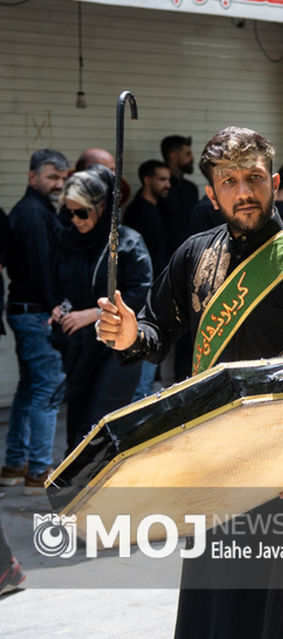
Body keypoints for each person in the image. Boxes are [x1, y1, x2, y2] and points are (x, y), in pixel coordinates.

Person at [97, 126, 283, 639]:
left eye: (255, 179)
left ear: (275, 183)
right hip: (213, 464)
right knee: (212, 606)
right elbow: (161, 329)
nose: (245, 192)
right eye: (230, 182)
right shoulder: (194, 254)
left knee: (268, 607)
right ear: (211, 192)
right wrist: (134, 336)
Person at [51, 167, 152, 448]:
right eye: (69, 213)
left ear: (102, 207)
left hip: (118, 346)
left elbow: (140, 293)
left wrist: (92, 314)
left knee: (101, 426)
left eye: (82, 212)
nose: (75, 220)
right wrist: (58, 307)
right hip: (81, 348)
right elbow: (56, 282)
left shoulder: (127, 242)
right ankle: (75, 490)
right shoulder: (66, 240)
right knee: (78, 424)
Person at [0, 149, 69, 493]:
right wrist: (55, 304)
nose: (58, 184)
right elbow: (43, 266)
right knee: (49, 387)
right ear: (32, 177)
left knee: (30, 388)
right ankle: (39, 470)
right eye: (51, 177)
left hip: (28, 310)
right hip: (37, 312)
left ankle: (15, 465)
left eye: (62, 177)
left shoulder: (37, 211)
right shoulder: (32, 214)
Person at [159, 134, 200, 256]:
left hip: (189, 254)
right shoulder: (160, 189)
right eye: (187, 154)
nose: (192, 158)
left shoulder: (191, 189)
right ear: (173, 156)